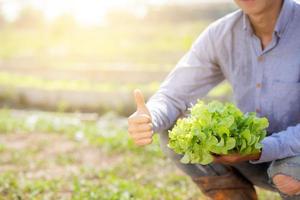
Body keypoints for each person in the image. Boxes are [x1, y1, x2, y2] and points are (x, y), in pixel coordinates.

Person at [127, 0, 300, 199]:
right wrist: (151, 118)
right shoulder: (221, 34)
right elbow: (174, 94)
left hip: (292, 157)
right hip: (248, 157)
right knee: (178, 129)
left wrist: (260, 150)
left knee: (290, 176)